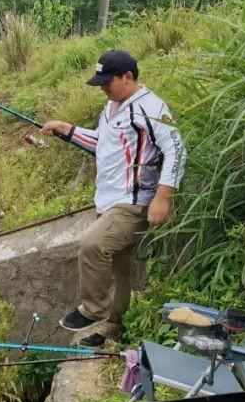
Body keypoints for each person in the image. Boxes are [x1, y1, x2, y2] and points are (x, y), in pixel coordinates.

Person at [42, 50, 185, 347]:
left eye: (108, 81)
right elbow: (101, 143)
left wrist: (163, 196)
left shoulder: (151, 107)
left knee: (92, 244)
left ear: (128, 77)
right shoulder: (111, 108)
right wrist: (66, 130)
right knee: (118, 268)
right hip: (107, 200)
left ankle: (92, 309)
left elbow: (176, 150)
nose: (103, 88)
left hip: (135, 201)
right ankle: (112, 327)